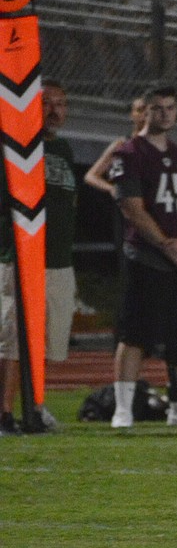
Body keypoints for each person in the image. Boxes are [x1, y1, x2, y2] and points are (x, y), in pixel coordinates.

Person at [109, 82, 177, 429]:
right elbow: (131, 207)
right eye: (158, 108)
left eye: (170, 107)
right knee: (135, 334)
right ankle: (123, 408)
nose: (164, 114)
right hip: (146, 256)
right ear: (145, 110)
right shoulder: (129, 154)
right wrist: (167, 243)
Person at [0, 80, 78, 434]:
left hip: (58, 259)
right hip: (20, 257)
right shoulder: (14, 148)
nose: (55, 111)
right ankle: (4, 412)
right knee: (14, 340)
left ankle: (36, 407)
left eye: (60, 104)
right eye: (47, 103)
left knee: (47, 342)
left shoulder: (63, 148)